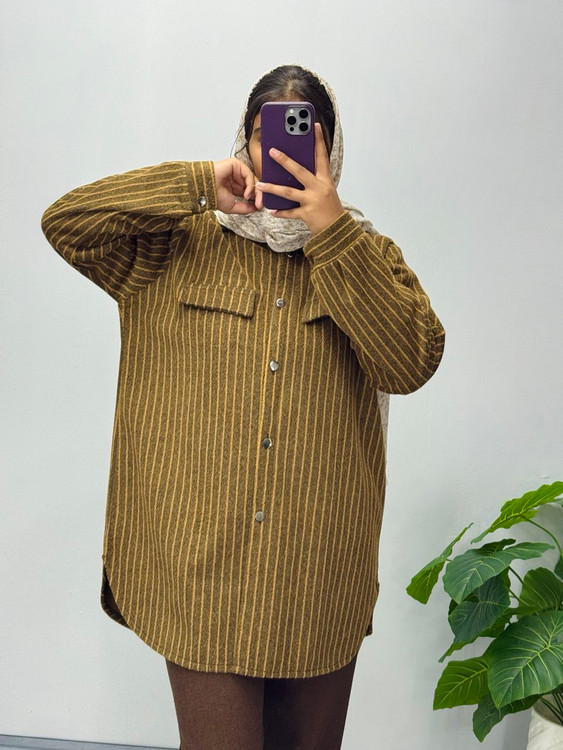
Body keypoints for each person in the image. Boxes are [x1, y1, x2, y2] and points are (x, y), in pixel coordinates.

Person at [41, 64, 445, 750]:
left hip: (316, 576)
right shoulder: (173, 245)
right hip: (202, 577)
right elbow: (68, 223)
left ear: (331, 149)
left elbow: (409, 363)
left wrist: (332, 231)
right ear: (245, 140)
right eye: (267, 132)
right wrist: (199, 184)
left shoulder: (368, 254)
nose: (283, 150)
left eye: (306, 136)